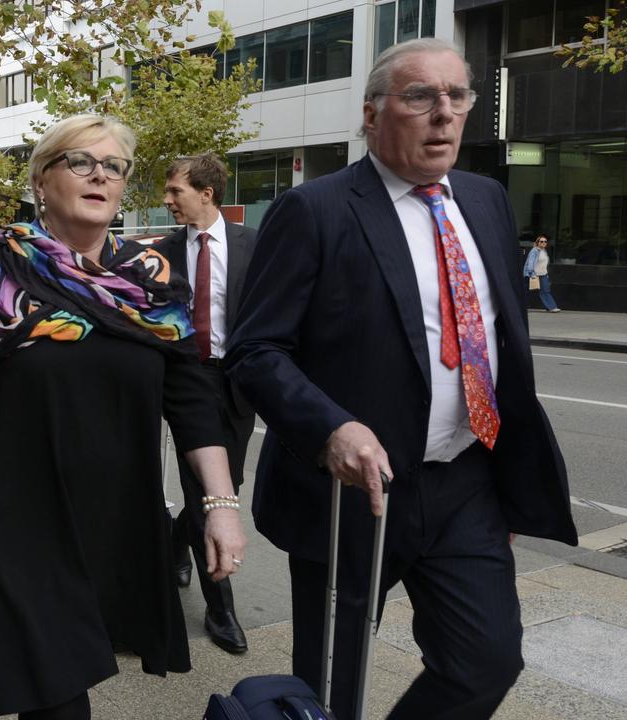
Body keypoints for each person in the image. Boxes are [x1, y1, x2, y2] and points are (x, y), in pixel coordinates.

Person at [225, 39, 578, 720]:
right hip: (355, 492)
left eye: (458, 95)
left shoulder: (486, 200)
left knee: (487, 661)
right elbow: (255, 350)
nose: (443, 114)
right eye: (421, 97)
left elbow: (502, 338)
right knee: (334, 688)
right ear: (373, 113)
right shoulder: (317, 211)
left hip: (465, 483)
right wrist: (332, 426)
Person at [0, 115, 248, 720]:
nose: (100, 176)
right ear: (42, 180)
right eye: (80, 162)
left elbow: (193, 400)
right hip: (15, 518)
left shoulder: (150, 282)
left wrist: (220, 507)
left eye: (114, 167)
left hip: (115, 515)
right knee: (56, 701)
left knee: (71, 670)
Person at [155, 153, 257, 655]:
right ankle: (222, 611)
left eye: (175, 191)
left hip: (233, 383)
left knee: (225, 488)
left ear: (207, 193)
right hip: (181, 381)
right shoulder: (163, 252)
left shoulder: (252, 245)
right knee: (206, 497)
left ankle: (178, 544)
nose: (167, 200)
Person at [524, 234, 561, 312]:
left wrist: (546, 274)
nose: (543, 243)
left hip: (543, 274)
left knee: (546, 291)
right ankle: (518, 305)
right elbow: (530, 262)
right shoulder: (534, 250)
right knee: (526, 291)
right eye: (541, 241)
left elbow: (544, 264)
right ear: (538, 242)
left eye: (545, 241)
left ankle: (551, 307)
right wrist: (531, 273)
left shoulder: (544, 251)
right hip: (534, 274)